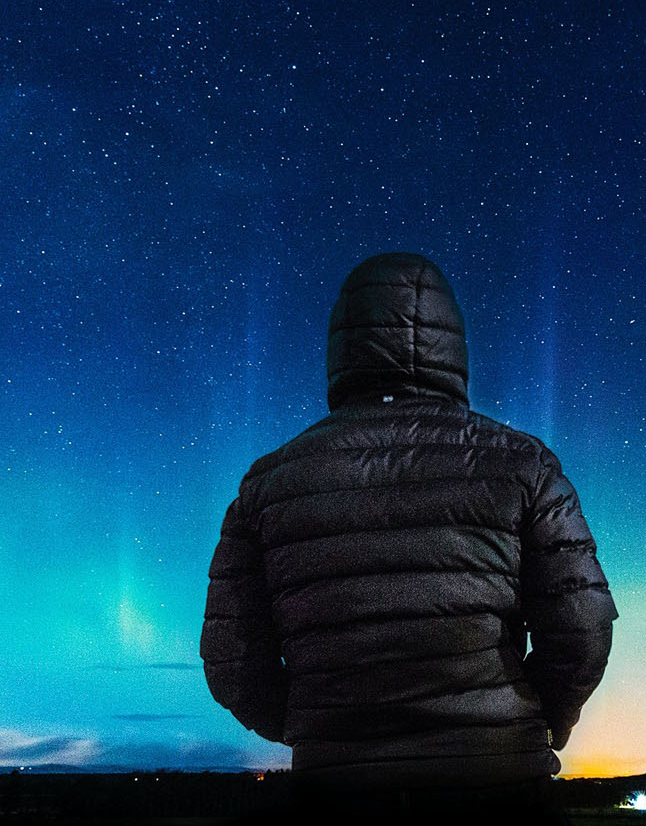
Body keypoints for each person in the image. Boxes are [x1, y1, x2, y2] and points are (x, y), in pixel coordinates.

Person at [201, 252, 616, 824]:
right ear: (453, 345)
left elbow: (233, 660)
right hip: (502, 795)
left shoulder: (269, 483)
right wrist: (534, 722)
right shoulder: (525, 465)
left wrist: (320, 734)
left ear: (342, 347)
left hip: (337, 804)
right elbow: (582, 629)